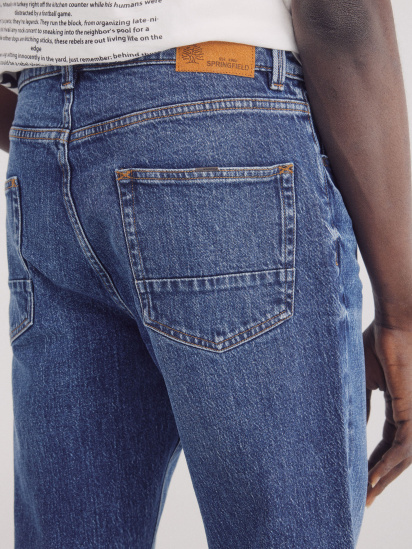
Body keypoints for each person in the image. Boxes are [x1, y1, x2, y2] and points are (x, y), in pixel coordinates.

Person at [0, 1, 411, 547]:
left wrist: (59, 130)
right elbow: (340, 14)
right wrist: (402, 313)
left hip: (41, 130)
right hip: (219, 115)